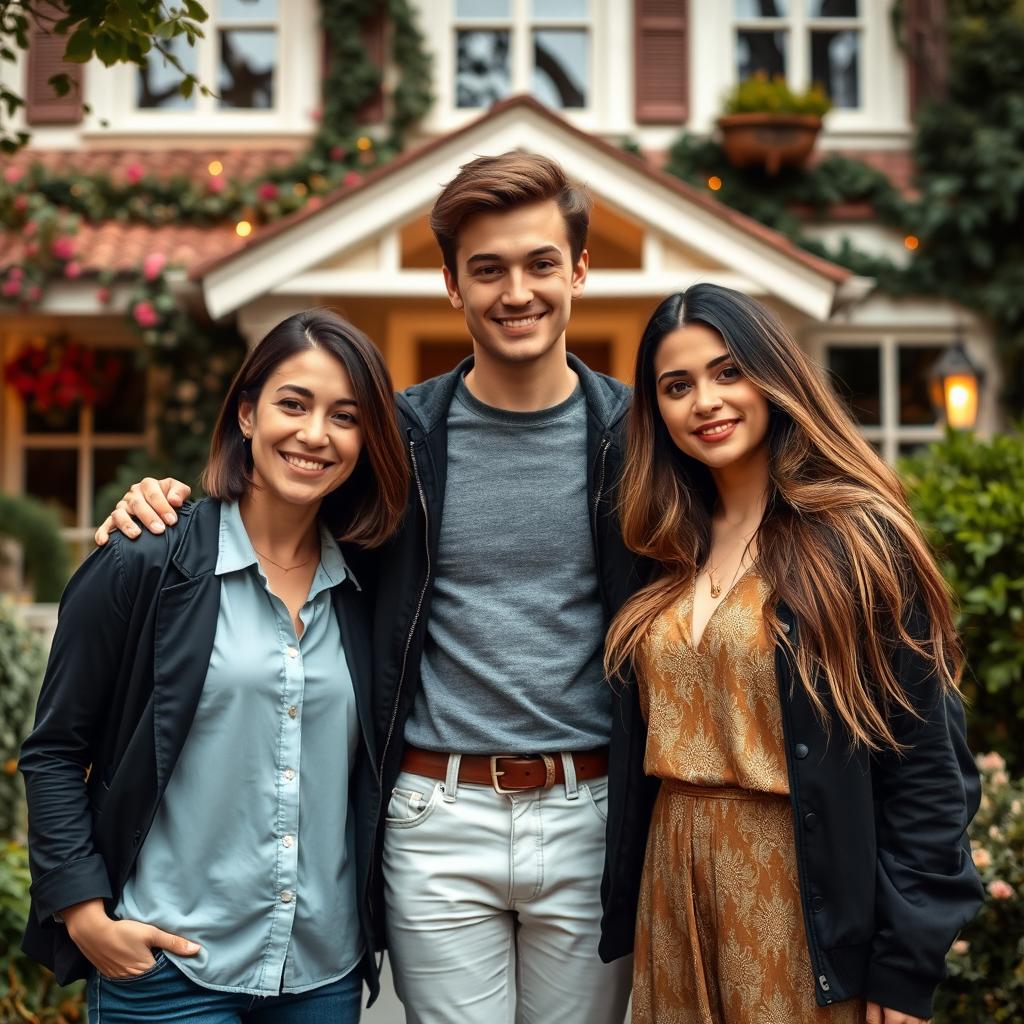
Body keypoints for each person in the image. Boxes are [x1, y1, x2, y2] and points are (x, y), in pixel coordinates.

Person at [94, 153, 658, 1024]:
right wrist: (167, 499)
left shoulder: (640, 439)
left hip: (594, 812)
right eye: (487, 269)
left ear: (579, 269)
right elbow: (285, 482)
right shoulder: (396, 438)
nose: (517, 291)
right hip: (438, 813)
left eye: (541, 263)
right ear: (450, 284)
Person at [604, 284, 984, 1024]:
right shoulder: (659, 545)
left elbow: (929, 772)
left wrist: (905, 967)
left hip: (796, 895)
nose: (705, 401)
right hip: (673, 883)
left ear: (773, 376)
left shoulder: (856, 542)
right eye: (676, 387)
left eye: (727, 372)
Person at [21, 310, 408, 1023]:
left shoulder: (371, 588)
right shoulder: (143, 561)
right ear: (247, 413)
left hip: (321, 977)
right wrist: (83, 914)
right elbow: (54, 752)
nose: (315, 434)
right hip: (168, 973)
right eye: (293, 403)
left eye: (345, 416)